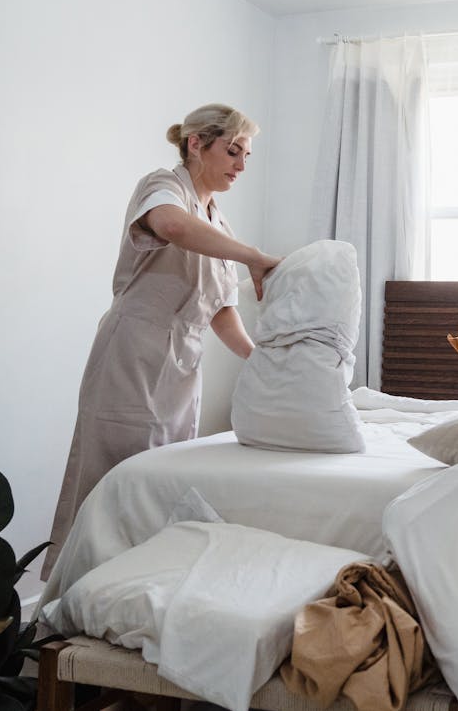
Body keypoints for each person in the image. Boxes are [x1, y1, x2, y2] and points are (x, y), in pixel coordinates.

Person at [42, 103, 283, 580]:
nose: (241, 165)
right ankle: (74, 601)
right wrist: (253, 257)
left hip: (182, 366)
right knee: (110, 482)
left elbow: (220, 310)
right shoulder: (162, 186)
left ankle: (133, 592)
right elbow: (171, 226)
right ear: (196, 143)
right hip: (132, 352)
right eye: (233, 151)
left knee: (163, 483)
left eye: (246, 155)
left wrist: (261, 361)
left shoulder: (218, 221)